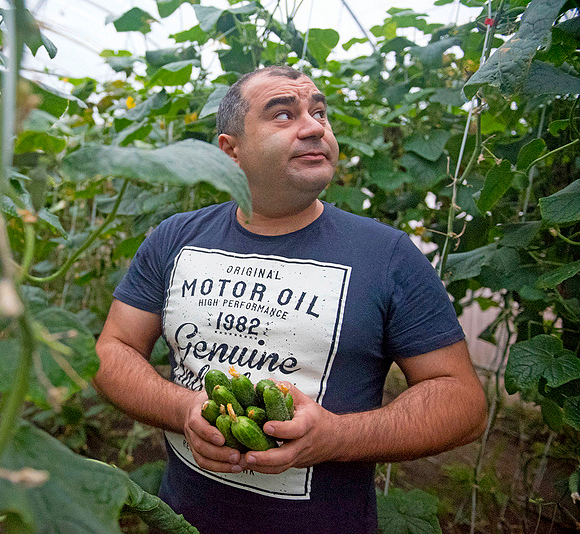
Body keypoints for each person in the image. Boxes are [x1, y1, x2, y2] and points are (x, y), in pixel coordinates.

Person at [92, 65, 488, 533]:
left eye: (319, 112)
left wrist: (336, 436)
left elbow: (462, 401)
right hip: (181, 520)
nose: (315, 126)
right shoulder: (175, 238)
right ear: (230, 152)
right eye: (283, 114)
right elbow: (111, 350)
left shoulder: (387, 255)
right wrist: (183, 410)